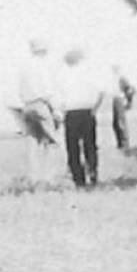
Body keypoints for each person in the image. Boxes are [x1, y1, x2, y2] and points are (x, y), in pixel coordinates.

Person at [56, 47, 105, 187]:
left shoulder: (62, 75)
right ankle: (93, 173)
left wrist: (60, 112)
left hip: (71, 113)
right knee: (90, 145)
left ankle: (79, 179)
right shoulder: (89, 73)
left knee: (73, 148)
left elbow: (59, 97)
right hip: (87, 111)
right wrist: (95, 109)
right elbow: (101, 92)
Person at [15, 38, 60, 181]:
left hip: (27, 106)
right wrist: (55, 109)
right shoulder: (42, 66)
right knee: (52, 141)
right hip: (41, 104)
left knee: (33, 142)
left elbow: (20, 90)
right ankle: (48, 176)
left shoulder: (25, 67)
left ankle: (33, 176)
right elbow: (47, 91)